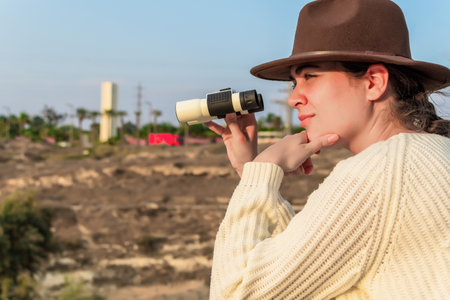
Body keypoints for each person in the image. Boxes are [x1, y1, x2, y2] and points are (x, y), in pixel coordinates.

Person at [205, 0, 450, 299]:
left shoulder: (376, 176)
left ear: (374, 82)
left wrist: (261, 174)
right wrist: (252, 173)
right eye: (294, 81)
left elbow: (236, 293)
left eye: (310, 76)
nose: (294, 97)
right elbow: (309, 273)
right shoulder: (430, 154)